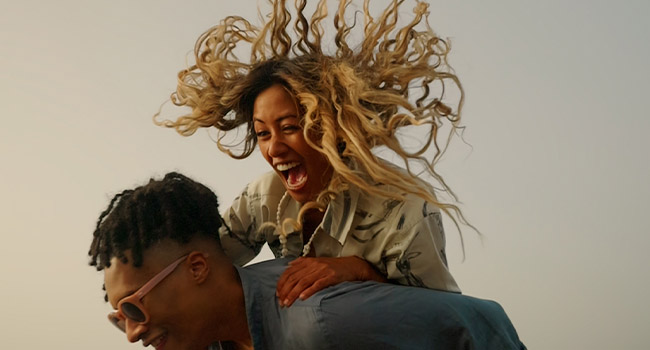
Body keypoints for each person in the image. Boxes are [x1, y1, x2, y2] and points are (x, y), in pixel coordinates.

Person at [156, 0, 475, 305]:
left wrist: (358, 271)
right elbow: (201, 266)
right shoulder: (264, 198)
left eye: (290, 127)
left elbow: (442, 317)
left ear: (334, 126)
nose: (274, 148)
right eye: (263, 133)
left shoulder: (404, 209)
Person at [88, 173, 527, 350]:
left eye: (133, 308)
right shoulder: (208, 340)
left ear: (197, 268)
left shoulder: (322, 320)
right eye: (117, 318)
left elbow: (479, 322)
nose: (131, 335)